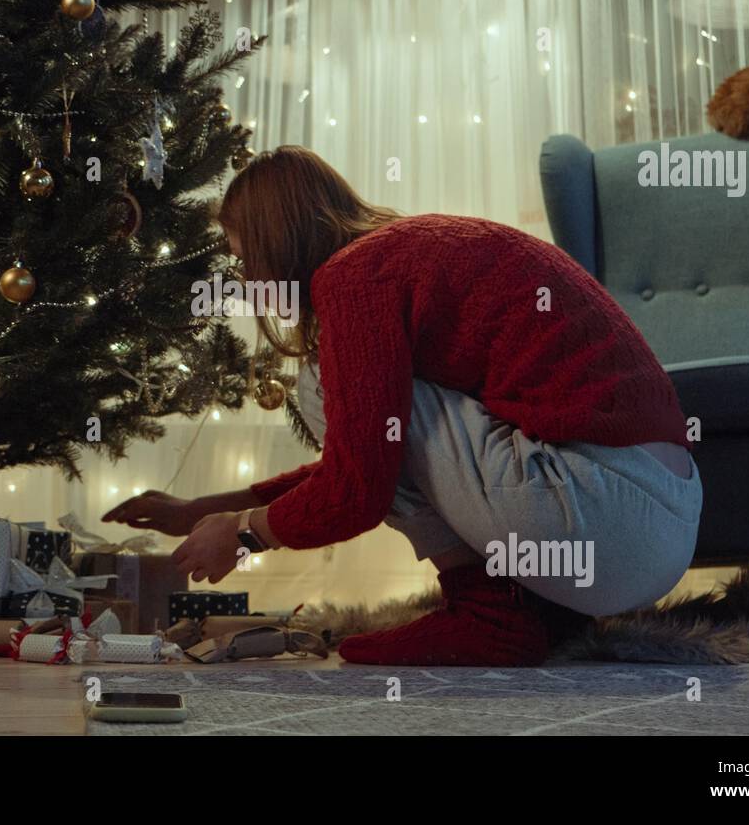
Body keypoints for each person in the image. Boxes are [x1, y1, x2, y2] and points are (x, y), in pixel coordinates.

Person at [104, 145, 702, 667]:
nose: (242, 275)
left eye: (243, 257)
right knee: (356, 403)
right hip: (656, 525)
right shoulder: (407, 250)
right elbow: (376, 452)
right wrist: (208, 508)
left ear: (275, 244)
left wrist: (243, 535)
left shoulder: (354, 280)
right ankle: (540, 610)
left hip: (596, 516)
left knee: (319, 384)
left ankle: (491, 616)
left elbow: (357, 488)